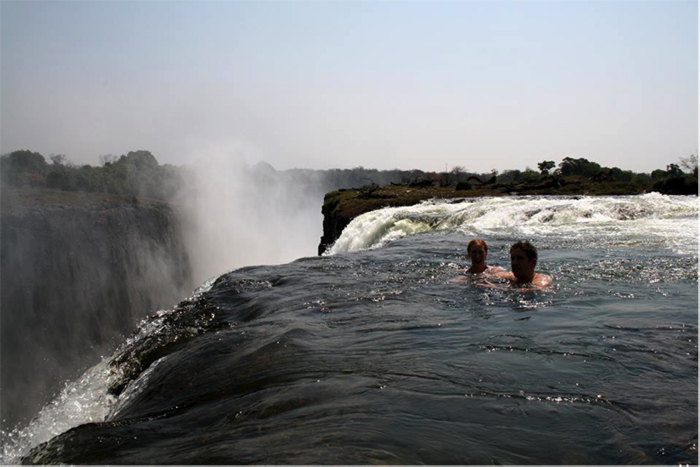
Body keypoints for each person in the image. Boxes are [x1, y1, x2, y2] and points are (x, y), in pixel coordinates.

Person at [480, 240, 552, 290]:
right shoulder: (509, 276)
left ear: (533, 262)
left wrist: (495, 287)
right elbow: (482, 277)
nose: (514, 263)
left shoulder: (541, 279)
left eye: (520, 258)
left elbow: (535, 289)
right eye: (513, 258)